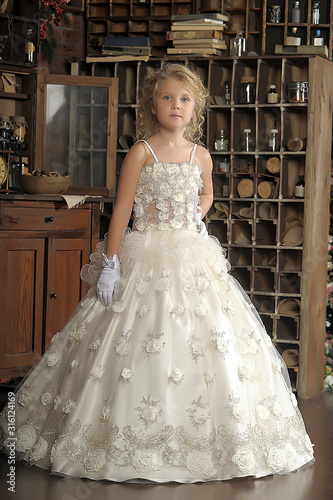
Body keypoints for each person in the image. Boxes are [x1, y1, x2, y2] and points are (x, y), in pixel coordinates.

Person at [0, 64, 314, 483]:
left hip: (191, 254)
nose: (176, 106)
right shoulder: (141, 152)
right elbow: (123, 210)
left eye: (184, 99)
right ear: (153, 103)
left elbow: (207, 193)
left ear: (195, 106)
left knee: (210, 339)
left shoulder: (199, 153)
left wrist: (192, 213)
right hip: (145, 254)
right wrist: (110, 264)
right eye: (167, 97)